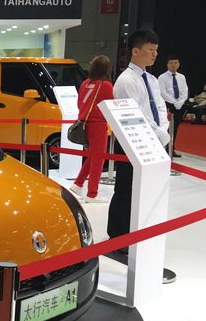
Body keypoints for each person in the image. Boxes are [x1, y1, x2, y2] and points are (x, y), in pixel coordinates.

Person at [107, 29, 170, 243]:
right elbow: (136, 116)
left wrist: (162, 133)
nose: (155, 54)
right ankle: (118, 237)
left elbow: (160, 108)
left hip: (152, 141)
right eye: (151, 50)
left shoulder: (151, 79)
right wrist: (159, 135)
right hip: (131, 140)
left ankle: (134, 233)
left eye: (156, 50)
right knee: (126, 190)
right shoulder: (126, 81)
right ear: (136, 51)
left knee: (143, 190)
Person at [69, 55, 114, 203]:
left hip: (84, 122)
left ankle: (78, 184)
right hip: (98, 124)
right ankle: (92, 193)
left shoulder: (85, 83)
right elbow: (110, 105)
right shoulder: (106, 85)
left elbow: (79, 104)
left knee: (93, 156)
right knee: (98, 159)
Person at [158, 56, 188, 157]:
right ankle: (163, 148)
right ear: (167, 65)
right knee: (166, 127)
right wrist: (174, 102)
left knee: (175, 127)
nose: (173, 65)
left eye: (175, 63)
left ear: (179, 65)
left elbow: (185, 90)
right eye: (171, 63)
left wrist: (181, 101)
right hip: (168, 104)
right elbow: (162, 92)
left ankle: (171, 148)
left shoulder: (182, 77)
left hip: (180, 105)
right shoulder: (162, 77)